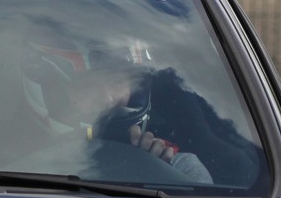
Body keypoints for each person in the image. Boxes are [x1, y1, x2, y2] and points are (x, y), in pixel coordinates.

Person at [19, 43, 259, 187]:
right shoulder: (5, 165)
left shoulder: (177, 163)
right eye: (89, 86)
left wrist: (159, 170)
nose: (109, 98)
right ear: (52, 93)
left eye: (117, 82)